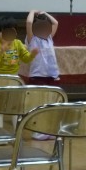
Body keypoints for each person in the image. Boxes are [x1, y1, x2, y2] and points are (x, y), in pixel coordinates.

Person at [0, 16, 39, 128]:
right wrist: (1, 51)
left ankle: (17, 131)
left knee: (15, 107)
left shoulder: (18, 43)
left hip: (14, 79)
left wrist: (32, 55)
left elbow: (25, 58)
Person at [25, 10, 60, 140]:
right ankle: (38, 131)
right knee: (39, 104)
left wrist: (45, 13)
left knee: (51, 104)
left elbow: (55, 23)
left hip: (51, 76)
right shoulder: (32, 39)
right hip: (38, 76)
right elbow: (29, 22)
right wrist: (33, 11)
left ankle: (49, 130)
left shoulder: (49, 38)